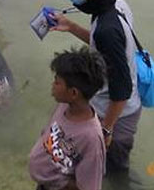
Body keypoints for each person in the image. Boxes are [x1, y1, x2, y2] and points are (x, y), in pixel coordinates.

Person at [49, 0, 142, 174]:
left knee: (114, 173)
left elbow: (122, 89)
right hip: (121, 106)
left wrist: (107, 130)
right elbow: (103, 45)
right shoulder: (116, 4)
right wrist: (71, 26)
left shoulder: (106, 30)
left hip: (117, 114)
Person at [29, 47, 107, 190]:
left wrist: (60, 183)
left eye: (57, 82)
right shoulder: (63, 106)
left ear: (73, 93)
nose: (53, 85)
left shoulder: (91, 138)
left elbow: (89, 186)